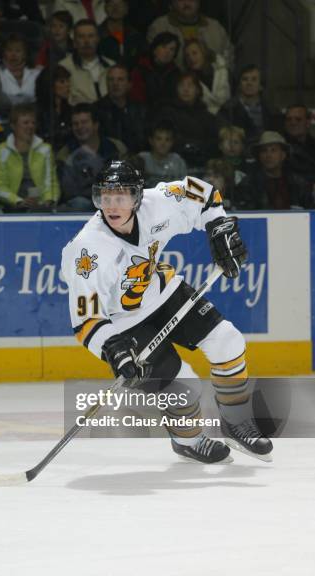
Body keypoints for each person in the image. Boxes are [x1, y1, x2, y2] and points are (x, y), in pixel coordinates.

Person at [61, 159, 273, 463]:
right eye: (105, 197)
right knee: (185, 388)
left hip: (163, 292)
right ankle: (188, 440)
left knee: (229, 341)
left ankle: (236, 421)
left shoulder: (158, 203)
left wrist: (219, 226)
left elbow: (204, 194)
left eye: (120, 197)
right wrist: (114, 350)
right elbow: (86, 319)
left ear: (137, 196)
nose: (111, 205)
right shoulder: (87, 251)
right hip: (122, 324)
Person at [56, 102, 126, 210]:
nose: (80, 127)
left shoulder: (116, 148)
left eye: (84, 122)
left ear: (95, 125)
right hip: (80, 206)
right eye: (76, 124)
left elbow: (124, 181)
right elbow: (67, 192)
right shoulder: (65, 153)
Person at [0, 103, 60, 211]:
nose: (31, 126)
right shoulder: (0, 151)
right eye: (26, 123)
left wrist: (48, 201)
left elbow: (51, 183)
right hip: (11, 208)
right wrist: (19, 201)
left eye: (33, 123)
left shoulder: (46, 149)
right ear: (13, 126)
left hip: (41, 207)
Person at [235, 131, 313, 210]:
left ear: (283, 155)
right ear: (259, 156)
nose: (268, 155)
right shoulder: (249, 184)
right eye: (264, 150)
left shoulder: (298, 183)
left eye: (273, 150)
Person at [147, 0, 233, 69]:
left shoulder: (215, 27)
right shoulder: (159, 27)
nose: (187, 3)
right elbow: (149, 63)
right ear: (173, 2)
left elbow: (230, 60)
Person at [218, 65, 280, 145]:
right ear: (239, 85)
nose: (249, 83)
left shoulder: (271, 110)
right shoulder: (227, 110)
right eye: (245, 79)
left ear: (261, 85)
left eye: (254, 79)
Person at [58, 18, 114, 105]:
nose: (86, 41)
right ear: (74, 42)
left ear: (97, 39)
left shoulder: (112, 66)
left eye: (91, 36)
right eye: (81, 36)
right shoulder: (63, 67)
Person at [0, 34, 42, 119]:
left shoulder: (36, 74)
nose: (13, 54)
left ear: (25, 54)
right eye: (9, 50)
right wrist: (29, 101)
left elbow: (42, 102)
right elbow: (0, 103)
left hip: (33, 120)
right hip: (5, 119)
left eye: (18, 51)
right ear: (4, 53)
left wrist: (12, 100)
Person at [95, 63, 146, 153]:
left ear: (129, 84)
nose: (115, 83)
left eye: (120, 79)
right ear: (106, 83)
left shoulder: (140, 110)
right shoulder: (96, 109)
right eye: (111, 79)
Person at [130, 31, 181, 106]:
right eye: (164, 47)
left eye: (172, 49)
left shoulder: (176, 73)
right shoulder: (140, 70)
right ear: (154, 50)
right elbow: (136, 100)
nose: (167, 52)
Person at [183, 38, 230, 114]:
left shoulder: (222, 70)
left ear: (203, 53)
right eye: (187, 56)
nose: (191, 58)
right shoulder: (189, 81)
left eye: (194, 53)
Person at [98, 0, 145, 68]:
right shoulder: (96, 34)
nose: (115, 8)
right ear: (105, 8)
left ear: (126, 10)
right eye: (111, 4)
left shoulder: (135, 35)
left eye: (120, 5)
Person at [138, 120, 187, 187]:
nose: (163, 143)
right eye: (158, 139)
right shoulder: (142, 159)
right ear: (151, 140)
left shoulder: (178, 161)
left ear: (172, 142)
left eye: (167, 139)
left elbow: (184, 185)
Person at [36, 64, 72, 151]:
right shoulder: (37, 112)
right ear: (49, 84)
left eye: (68, 81)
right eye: (62, 82)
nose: (67, 85)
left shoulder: (70, 110)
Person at [283, 104, 315, 185]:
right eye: (289, 119)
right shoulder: (278, 147)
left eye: (298, 119)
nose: (293, 123)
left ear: (308, 123)